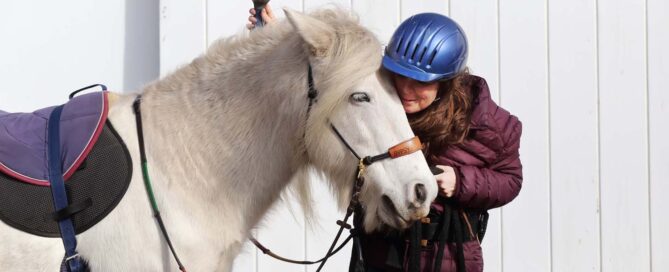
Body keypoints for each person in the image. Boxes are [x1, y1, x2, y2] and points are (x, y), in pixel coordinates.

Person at [247, 6, 522, 272]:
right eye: (400, 76)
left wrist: (460, 182)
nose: (406, 90)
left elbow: (510, 180)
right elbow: (327, 71)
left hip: (449, 257)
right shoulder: (380, 99)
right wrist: (279, 41)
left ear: (446, 81)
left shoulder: (488, 123)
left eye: (420, 82)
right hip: (382, 253)